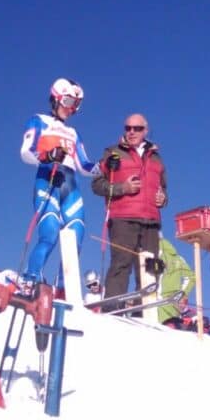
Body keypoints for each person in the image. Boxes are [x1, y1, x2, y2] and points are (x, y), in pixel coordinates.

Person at [20, 78, 100, 296]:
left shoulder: (73, 133)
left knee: (76, 234)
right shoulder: (39, 120)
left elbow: (84, 165)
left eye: (76, 105)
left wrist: (104, 167)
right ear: (55, 99)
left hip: (70, 184)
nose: (71, 109)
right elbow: (26, 151)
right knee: (50, 233)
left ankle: (64, 287)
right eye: (68, 101)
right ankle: (30, 279)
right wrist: (47, 156)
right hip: (48, 179)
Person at [90, 113, 168, 308]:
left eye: (137, 128)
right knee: (121, 264)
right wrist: (123, 188)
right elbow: (96, 185)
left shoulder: (156, 158)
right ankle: (111, 310)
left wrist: (163, 199)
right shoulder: (112, 153)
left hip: (151, 220)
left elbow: (163, 189)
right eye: (128, 128)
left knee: (150, 268)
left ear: (146, 131)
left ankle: (143, 313)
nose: (132, 132)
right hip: (123, 218)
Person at [157, 235, 195, 324]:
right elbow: (191, 277)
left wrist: (180, 295)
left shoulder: (151, 254)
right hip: (168, 301)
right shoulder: (178, 259)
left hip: (164, 301)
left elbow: (190, 277)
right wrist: (181, 294)